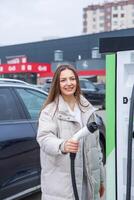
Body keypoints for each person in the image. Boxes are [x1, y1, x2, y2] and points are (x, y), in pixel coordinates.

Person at [37, 64, 105, 200]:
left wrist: (100, 179)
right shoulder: (50, 112)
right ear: (57, 83)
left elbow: (96, 149)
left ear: (77, 81)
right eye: (63, 80)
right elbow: (44, 138)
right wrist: (62, 145)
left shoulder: (87, 109)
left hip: (88, 183)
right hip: (63, 188)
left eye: (72, 79)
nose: (69, 83)